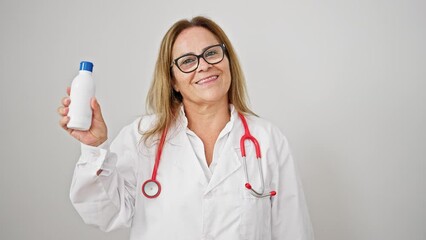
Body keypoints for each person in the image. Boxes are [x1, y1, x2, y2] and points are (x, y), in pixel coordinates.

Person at [58, 16, 314, 240]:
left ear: (228, 61)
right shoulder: (142, 137)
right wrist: (94, 148)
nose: (203, 65)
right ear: (173, 81)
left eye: (212, 53)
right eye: (187, 61)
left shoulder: (267, 140)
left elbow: (293, 231)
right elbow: (103, 213)